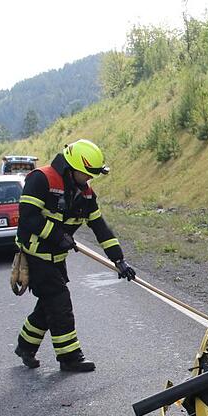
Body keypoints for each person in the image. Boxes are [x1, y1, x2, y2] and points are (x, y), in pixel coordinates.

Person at [13, 139, 135, 372]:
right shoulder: (41, 179)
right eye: (86, 174)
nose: (89, 179)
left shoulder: (85, 194)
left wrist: (119, 260)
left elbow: (100, 228)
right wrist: (58, 235)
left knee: (48, 305)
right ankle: (69, 357)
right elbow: (28, 218)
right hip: (36, 257)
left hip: (56, 259)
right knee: (59, 304)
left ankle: (25, 346)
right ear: (71, 168)